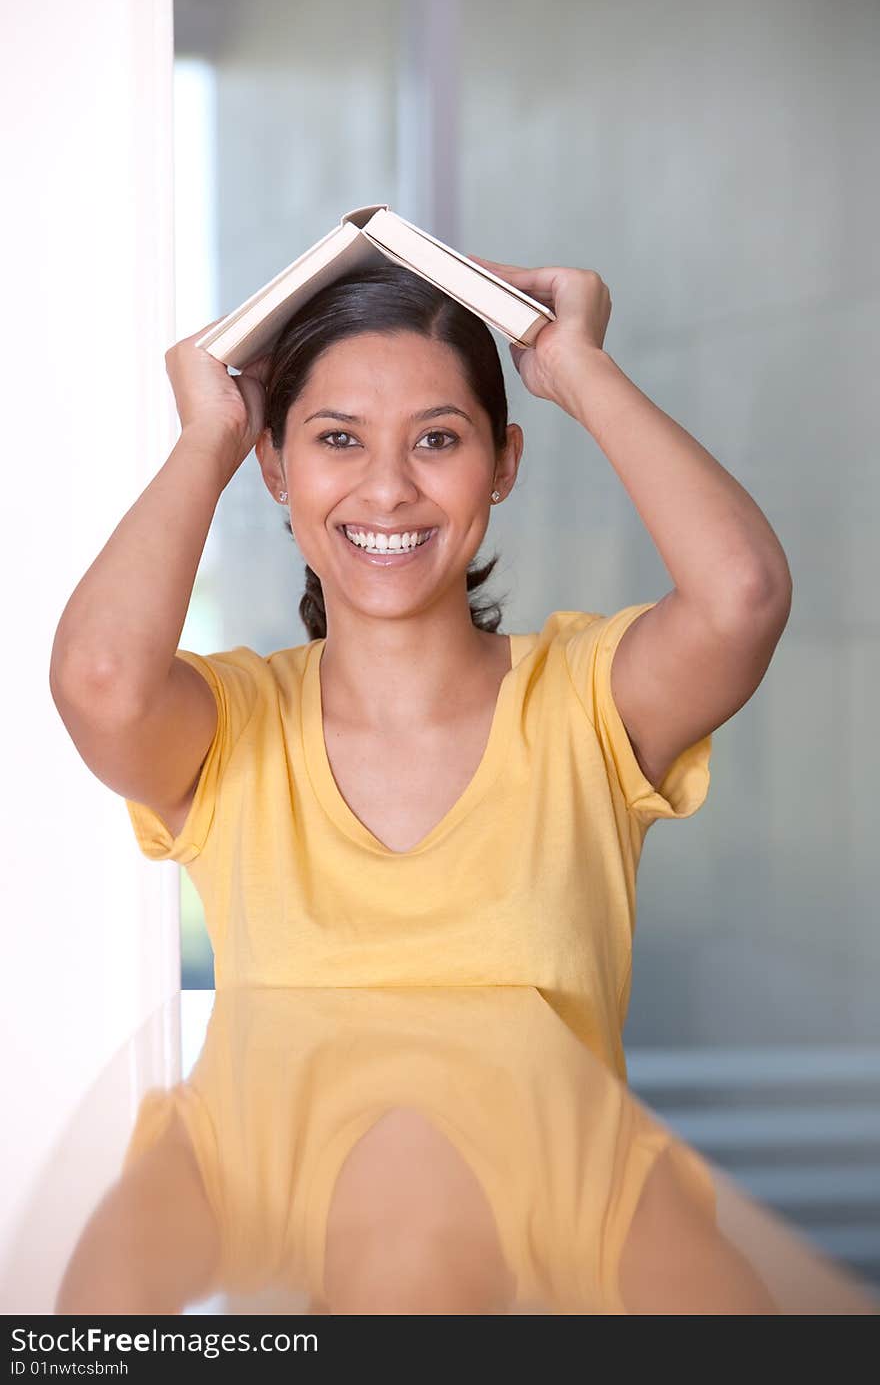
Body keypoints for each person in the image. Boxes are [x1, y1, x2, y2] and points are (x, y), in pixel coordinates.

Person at [49, 253, 792, 1313]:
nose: (388, 486)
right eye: (336, 438)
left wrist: (576, 366)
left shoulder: (583, 702)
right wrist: (204, 439)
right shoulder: (233, 729)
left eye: (437, 439)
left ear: (502, 462)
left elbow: (743, 596)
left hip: (565, 1239)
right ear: (276, 467)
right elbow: (102, 679)